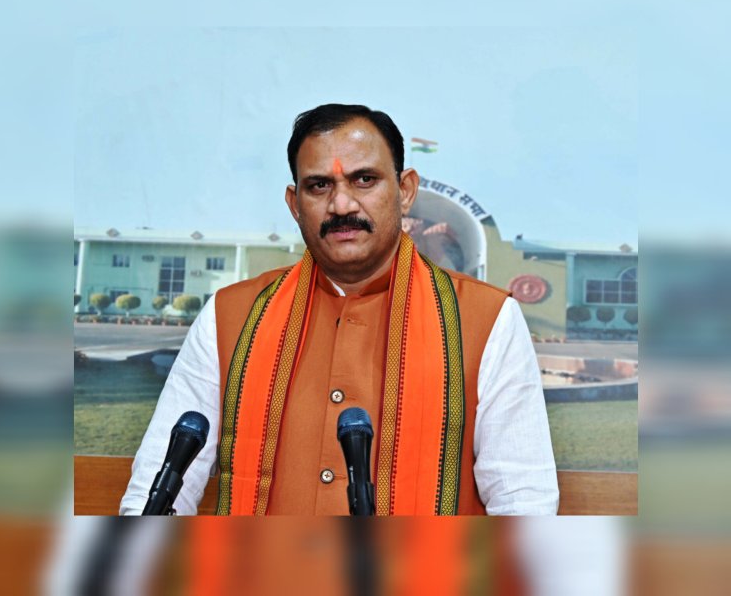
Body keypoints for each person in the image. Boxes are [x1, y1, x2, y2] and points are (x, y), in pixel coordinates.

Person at [120, 104, 559, 515]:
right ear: (295, 205)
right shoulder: (230, 316)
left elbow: (523, 503)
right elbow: (159, 483)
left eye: (364, 179)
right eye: (319, 186)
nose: (342, 205)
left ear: (405, 191)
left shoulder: (487, 320)